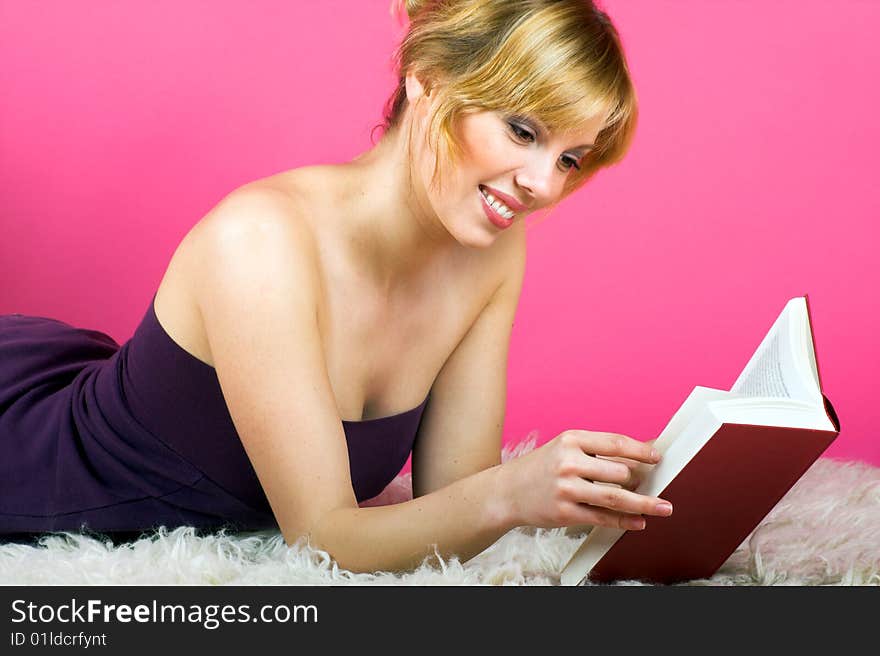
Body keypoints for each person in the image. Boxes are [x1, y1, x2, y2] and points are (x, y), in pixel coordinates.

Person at [0, 0, 673, 573]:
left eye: (568, 159)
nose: (543, 184)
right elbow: (324, 539)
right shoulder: (260, 241)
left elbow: (457, 495)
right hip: (32, 459)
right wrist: (513, 493)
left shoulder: (490, 249)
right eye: (521, 131)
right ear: (427, 79)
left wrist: (591, 486)